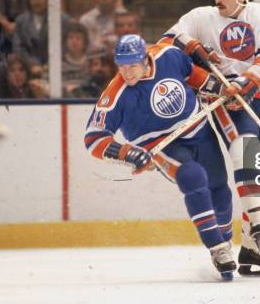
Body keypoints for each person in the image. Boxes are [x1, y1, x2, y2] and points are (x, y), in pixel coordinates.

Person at [162, 0, 260, 276]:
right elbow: (167, 42)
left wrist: (246, 83)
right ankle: (255, 227)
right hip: (222, 98)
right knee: (246, 152)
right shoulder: (200, 16)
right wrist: (194, 49)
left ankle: (252, 249)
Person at [84, 34, 237, 280]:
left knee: (220, 188)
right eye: (121, 66)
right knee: (192, 176)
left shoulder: (168, 55)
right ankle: (216, 247)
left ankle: (225, 240)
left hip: (199, 131)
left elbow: (192, 74)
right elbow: (93, 138)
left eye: (132, 65)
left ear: (146, 58)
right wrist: (128, 152)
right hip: (161, 146)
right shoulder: (115, 94)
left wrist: (219, 87)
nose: (127, 73)